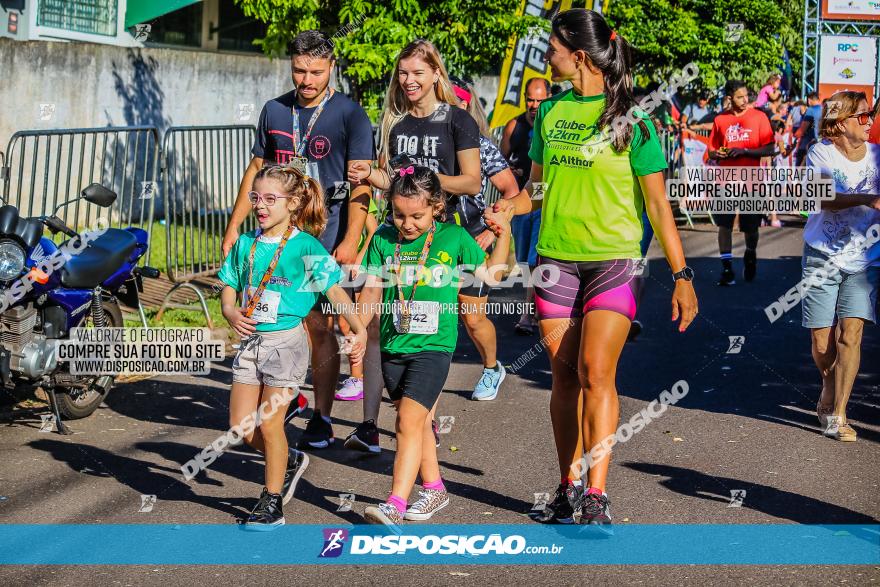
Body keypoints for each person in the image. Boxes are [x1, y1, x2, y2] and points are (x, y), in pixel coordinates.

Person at [493, 9, 698, 528]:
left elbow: (657, 206)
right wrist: (503, 210)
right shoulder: (551, 113)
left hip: (615, 261)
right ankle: (567, 485)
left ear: (577, 55)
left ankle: (596, 492)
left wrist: (682, 275)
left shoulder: (636, 120)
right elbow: (535, 191)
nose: (547, 58)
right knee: (562, 379)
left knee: (596, 372)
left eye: (552, 50)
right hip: (556, 260)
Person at [221, 30, 376, 450]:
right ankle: (287, 392)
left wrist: (351, 238)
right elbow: (256, 170)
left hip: (325, 235)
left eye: (316, 71)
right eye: (299, 70)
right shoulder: (275, 110)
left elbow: (361, 184)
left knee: (321, 327)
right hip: (276, 236)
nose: (306, 79)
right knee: (276, 320)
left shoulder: (349, 114)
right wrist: (235, 225)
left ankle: (322, 417)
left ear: (331, 67)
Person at [348, 39, 508, 403]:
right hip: (409, 234)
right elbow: (397, 183)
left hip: (455, 232)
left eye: (418, 73)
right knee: (415, 313)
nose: (409, 80)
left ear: (436, 74)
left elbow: (471, 180)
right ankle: (421, 413)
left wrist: (429, 183)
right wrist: (371, 175)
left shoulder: (457, 119)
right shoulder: (396, 123)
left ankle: (490, 367)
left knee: (471, 317)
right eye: (403, 73)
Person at [358, 166, 513, 528]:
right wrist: (357, 330)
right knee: (421, 423)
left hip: (435, 347)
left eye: (417, 216)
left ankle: (395, 503)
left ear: (436, 208)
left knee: (406, 421)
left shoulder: (454, 238)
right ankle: (435, 488)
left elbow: (492, 275)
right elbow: (370, 291)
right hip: (395, 345)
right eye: (399, 215)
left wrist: (501, 236)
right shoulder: (383, 239)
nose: (407, 224)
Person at [219, 165, 367, 528]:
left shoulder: (305, 246)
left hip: (287, 343)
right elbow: (228, 283)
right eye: (256, 198)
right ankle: (286, 461)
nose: (260, 206)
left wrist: (358, 328)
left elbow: (334, 289)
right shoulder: (245, 243)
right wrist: (228, 309)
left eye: (271, 199)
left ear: (294, 203)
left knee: (270, 424)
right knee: (241, 426)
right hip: (251, 342)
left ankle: (271, 504)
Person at [803, 90, 880, 442]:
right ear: (839, 122)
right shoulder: (820, 153)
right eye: (862, 116)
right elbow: (822, 197)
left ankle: (839, 413)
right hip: (822, 255)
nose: (869, 121)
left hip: (865, 260)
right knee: (822, 344)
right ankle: (829, 383)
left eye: (869, 116)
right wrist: (869, 198)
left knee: (851, 335)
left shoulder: (877, 157)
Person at [708, 80, 775, 285]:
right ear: (730, 98)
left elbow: (770, 149)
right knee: (724, 225)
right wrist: (717, 153)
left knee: (750, 227)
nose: (745, 100)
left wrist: (745, 151)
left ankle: (750, 253)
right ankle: (727, 269)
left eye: (747, 95)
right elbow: (711, 150)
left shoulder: (759, 117)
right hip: (725, 181)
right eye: (740, 97)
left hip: (751, 182)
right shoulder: (720, 120)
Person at [501, 77, 550, 335]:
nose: (534, 105)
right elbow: (499, 161)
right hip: (520, 201)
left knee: (534, 260)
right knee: (523, 261)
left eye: (540, 100)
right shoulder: (514, 126)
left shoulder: (552, 125)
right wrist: (508, 170)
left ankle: (527, 314)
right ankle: (537, 309)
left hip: (542, 199)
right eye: (530, 99)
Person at [335, 197, 381, 402]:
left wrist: (360, 260)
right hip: (330, 263)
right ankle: (359, 376)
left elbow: (373, 230)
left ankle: (359, 378)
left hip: (355, 263)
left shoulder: (358, 197)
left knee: (362, 323)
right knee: (344, 324)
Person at [795, 92, 822, 166]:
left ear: (809, 100)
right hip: (821, 144)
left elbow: (802, 129)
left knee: (799, 168)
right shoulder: (824, 109)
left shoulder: (811, 110)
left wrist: (794, 136)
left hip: (810, 143)